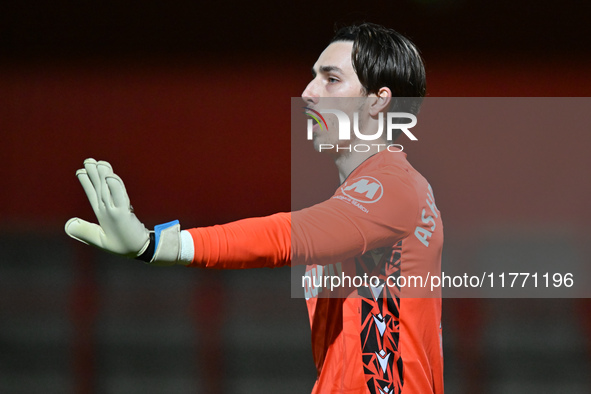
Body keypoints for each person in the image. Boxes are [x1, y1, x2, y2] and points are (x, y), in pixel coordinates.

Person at [65, 23, 444, 394]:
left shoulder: (392, 186)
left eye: (331, 79)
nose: (308, 92)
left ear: (378, 100)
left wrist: (156, 244)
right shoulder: (373, 196)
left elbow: (283, 236)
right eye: (313, 77)